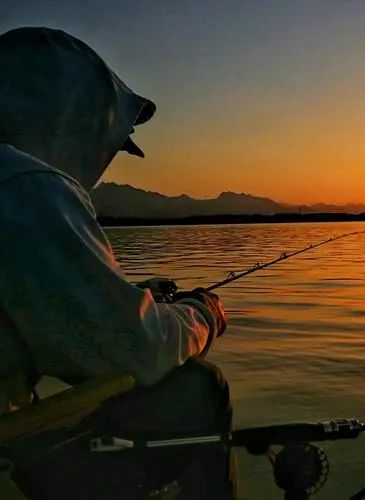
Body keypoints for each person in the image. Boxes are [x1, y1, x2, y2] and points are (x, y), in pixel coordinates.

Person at [0, 27, 237, 499]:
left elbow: (53, 326)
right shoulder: (23, 183)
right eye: (111, 143)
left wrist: (137, 295)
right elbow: (134, 349)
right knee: (197, 386)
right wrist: (202, 314)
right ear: (73, 118)